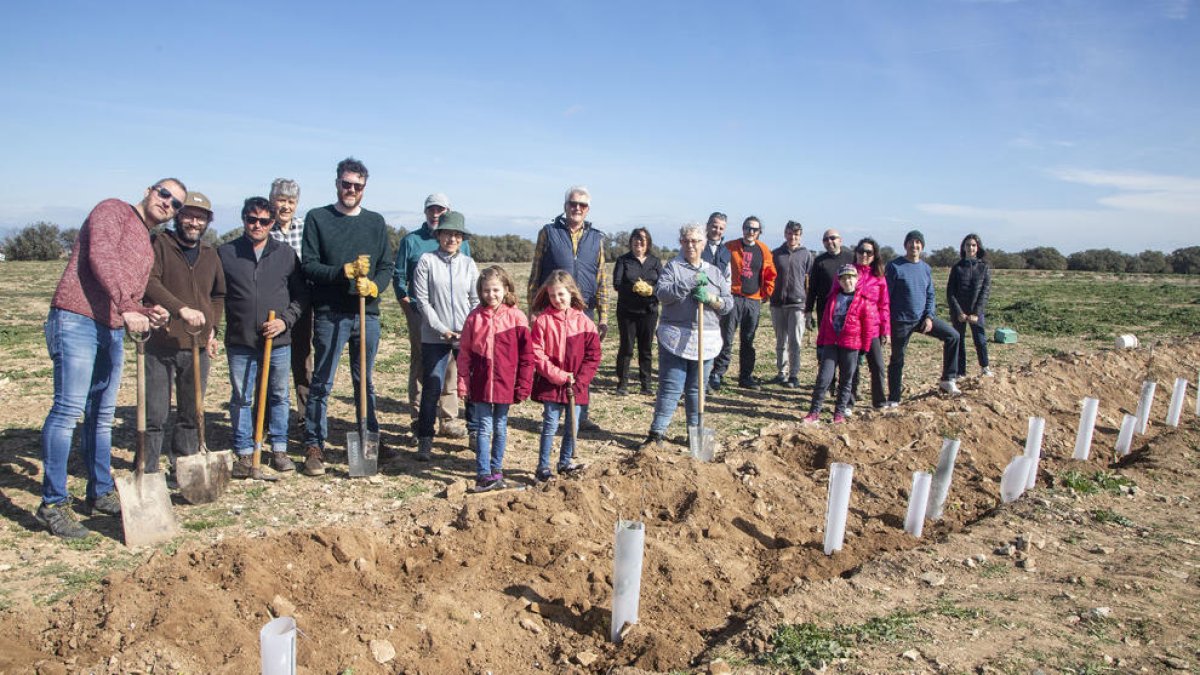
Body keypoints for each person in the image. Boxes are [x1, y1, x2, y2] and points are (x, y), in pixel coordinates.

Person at [37, 179, 179, 538]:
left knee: (101, 417)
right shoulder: (112, 210)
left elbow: (129, 292)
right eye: (165, 194)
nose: (169, 204)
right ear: (150, 190)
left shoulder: (148, 244)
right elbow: (102, 258)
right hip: (77, 319)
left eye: (176, 204)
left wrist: (147, 310)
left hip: (111, 327)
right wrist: (129, 305)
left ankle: (99, 491)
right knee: (68, 411)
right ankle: (52, 504)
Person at [300, 157, 395, 476]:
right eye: (346, 184)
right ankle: (314, 445)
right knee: (323, 381)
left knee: (364, 381)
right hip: (330, 313)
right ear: (337, 183)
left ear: (364, 189)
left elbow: (386, 267)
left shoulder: (376, 222)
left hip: (365, 314)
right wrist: (342, 273)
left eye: (357, 186)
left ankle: (370, 440)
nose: (351, 189)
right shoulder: (317, 218)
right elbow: (309, 265)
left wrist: (374, 287)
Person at [219, 197, 309, 476]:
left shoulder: (285, 255)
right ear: (244, 219)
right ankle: (245, 452)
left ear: (272, 223)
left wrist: (284, 322)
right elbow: (214, 294)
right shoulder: (226, 253)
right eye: (251, 219)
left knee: (279, 396)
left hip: (278, 341)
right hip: (240, 341)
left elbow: (301, 296)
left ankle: (279, 449)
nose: (257, 225)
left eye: (264, 221)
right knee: (242, 397)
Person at [141, 191, 226, 476]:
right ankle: (149, 470)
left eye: (200, 218)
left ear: (207, 222)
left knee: (191, 413)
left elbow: (217, 295)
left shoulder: (210, 254)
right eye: (188, 215)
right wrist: (180, 309)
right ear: (178, 216)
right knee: (155, 414)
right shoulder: (160, 244)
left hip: (197, 346)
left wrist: (212, 328)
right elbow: (149, 282)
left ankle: (184, 467)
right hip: (161, 343)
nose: (193, 222)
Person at [640, 224, 733, 449]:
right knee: (671, 386)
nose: (691, 245)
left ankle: (696, 434)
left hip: (706, 337)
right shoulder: (673, 267)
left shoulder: (714, 272)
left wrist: (712, 299)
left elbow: (728, 304)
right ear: (681, 242)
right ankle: (657, 433)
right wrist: (689, 282)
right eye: (686, 240)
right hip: (676, 336)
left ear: (703, 243)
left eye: (695, 241)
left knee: (697, 388)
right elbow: (662, 294)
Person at [392, 193, 473, 439]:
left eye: (441, 209)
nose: (435, 213)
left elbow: (471, 287)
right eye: (432, 209)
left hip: (458, 322)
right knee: (424, 366)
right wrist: (408, 305)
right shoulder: (413, 241)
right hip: (421, 312)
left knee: (453, 369)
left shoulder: (464, 251)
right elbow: (400, 276)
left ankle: (448, 418)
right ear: (426, 211)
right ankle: (419, 418)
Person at [527, 186, 607, 431]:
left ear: (588, 210)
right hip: (552, 309)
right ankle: (550, 414)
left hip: (584, 312)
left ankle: (579, 417)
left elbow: (601, 277)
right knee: (553, 359)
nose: (577, 208)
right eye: (573, 203)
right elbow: (536, 271)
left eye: (582, 205)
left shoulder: (597, 237)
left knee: (582, 363)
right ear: (565, 206)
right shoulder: (549, 233)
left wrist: (603, 316)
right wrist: (532, 308)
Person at [457, 266, 534, 491]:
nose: (491, 295)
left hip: (505, 383)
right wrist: (463, 381)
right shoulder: (474, 317)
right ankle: (483, 474)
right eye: (486, 290)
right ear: (480, 292)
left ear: (506, 288)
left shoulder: (517, 317)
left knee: (500, 426)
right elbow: (464, 353)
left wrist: (523, 384)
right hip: (481, 384)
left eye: (496, 290)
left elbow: (527, 356)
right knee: (483, 427)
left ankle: (497, 470)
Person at [411, 212, 479, 462]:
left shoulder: (468, 264)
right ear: (439, 235)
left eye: (457, 235)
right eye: (448, 233)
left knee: (471, 385)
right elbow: (423, 301)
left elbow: (475, 299)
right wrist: (441, 328)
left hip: (465, 334)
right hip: (434, 335)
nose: (452, 238)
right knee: (432, 384)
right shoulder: (427, 261)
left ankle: (475, 432)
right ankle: (425, 439)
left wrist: (468, 328)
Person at [529, 270, 601, 482]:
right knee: (550, 425)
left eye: (561, 294)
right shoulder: (543, 321)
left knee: (573, 425)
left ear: (571, 293)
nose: (557, 299)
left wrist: (580, 382)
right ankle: (542, 467)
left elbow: (593, 355)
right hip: (553, 383)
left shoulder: (585, 322)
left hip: (576, 385)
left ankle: (566, 462)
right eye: (552, 296)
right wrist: (558, 375)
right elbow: (537, 353)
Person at [885, 230, 962, 405]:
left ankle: (948, 379)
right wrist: (886, 325)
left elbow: (930, 294)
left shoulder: (926, 268)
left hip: (922, 320)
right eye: (911, 242)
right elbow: (886, 297)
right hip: (901, 321)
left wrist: (929, 316)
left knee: (953, 336)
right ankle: (894, 398)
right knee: (897, 358)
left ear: (922, 246)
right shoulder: (894, 266)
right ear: (905, 245)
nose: (914, 245)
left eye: (918, 242)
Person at [709, 216, 775, 392]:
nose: (750, 232)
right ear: (742, 229)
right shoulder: (730, 247)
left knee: (748, 339)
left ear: (759, 232)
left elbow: (770, 273)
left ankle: (745, 376)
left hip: (753, 300)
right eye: (747, 228)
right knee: (726, 337)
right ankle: (717, 373)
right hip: (733, 297)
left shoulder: (764, 250)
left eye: (754, 229)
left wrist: (766, 292)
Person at [268, 178, 314, 428]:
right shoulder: (264, 227)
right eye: (281, 200)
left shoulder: (305, 228)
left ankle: (304, 414)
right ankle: (269, 415)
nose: (285, 206)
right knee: (272, 360)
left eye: (291, 202)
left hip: (303, 304)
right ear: (272, 201)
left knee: (303, 357)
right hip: (274, 303)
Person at [803, 265, 872, 424]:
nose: (847, 281)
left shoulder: (863, 301)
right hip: (831, 344)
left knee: (846, 381)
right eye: (844, 278)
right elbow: (826, 323)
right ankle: (814, 412)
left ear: (856, 279)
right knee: (823, 379)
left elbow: (867, 327)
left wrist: (864, 349)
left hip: (851, 345)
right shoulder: (833, 298)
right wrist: (820, 343)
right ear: (839, 281)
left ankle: (839, 414)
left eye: (851, 277)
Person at [612, 227, 661, 396]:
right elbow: (617, 284)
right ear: (631, 242)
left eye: (642, 240)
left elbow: (662, 285)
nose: (638, 243)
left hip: (649, 311)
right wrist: (633, 287)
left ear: (648, 243)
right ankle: (622, 384)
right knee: (626, 348)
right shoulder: (623, 260)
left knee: (646, 348)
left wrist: (651, 290)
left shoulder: (655, 261)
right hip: (627, 311)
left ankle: (646, 384)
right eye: (635, 239)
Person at [768, 220, 814, 388]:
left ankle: (793, 375)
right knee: (781, 340)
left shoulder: (806, 254)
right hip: (777, 302)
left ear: (800, 235)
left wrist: (809, 306)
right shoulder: (776, 254)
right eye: (789, 233)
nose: (792, 237)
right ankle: (781, 373)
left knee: (795, 341)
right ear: (785, 234)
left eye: (796, 234)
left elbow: (810, 279)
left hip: (797, 303)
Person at [848, 237, 890, 409]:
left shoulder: (879, 277)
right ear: (856, 253)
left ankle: (879, 402)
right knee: (852, 367)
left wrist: (886, 330)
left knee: (878, 366)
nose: (864, 255)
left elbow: (884, 305)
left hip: (872, 329)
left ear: (874, 256)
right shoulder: (849, 272)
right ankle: (848, 402)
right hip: (853, 328)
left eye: (869, 252)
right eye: (861, 251)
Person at [947, 233, 993, 378]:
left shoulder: (984, 267)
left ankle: (985, 367)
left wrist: (976, 313)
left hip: (976, 312)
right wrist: (958, 312)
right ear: (963, 247)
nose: (970, 248)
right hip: (959, 312)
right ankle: (961, 372)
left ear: (978, 247)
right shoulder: (957, 267)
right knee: (959, 340)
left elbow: (984, 292)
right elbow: (950, 292)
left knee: (980, 340)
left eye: (973, 245)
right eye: (968, 245)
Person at [805, 228, 854, 327]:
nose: (829, 241)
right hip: (825, 309)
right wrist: (809, 311)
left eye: (832, 238)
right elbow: (813, 288)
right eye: (826, 240)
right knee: (826, 341)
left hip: (848, 308)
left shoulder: (851, 258)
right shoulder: (819, 261)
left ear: (840, 240)